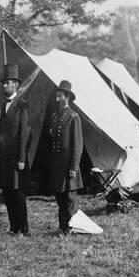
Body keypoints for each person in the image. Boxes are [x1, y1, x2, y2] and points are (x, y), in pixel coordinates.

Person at [0, 64, 31, 236]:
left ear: (15, 84)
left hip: (17, 158)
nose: (4, 86)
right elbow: (1, 133)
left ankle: (23, 228)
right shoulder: (3, 106)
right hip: (4, 159)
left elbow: (24, 134)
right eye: (3, 83)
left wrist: (22, 158)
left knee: (17, 194)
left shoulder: (23, 105)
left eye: (7, 83)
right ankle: (13, 226)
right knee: (7, 193)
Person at [46, 80, 84, 234]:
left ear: (67, 97)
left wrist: (74, 167)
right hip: (57, 165)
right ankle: (63, 227)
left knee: (70, 198)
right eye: (56, 96)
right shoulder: (54, 117)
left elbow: (77, 145)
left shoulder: (73, 117)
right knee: (60, 197)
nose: (57, 99)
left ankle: (72, 227)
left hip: (69, 165)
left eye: (60, 96)